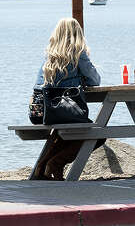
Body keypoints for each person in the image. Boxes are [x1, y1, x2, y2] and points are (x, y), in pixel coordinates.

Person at [33, 17, 102, 180]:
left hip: (40, 112)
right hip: (63, 111)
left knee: (66, 133)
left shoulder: (49, 56)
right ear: (78, 34)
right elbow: (95, 81)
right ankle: (56, 163)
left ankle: (42, 166)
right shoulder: (78, 54)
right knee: (98, 135)